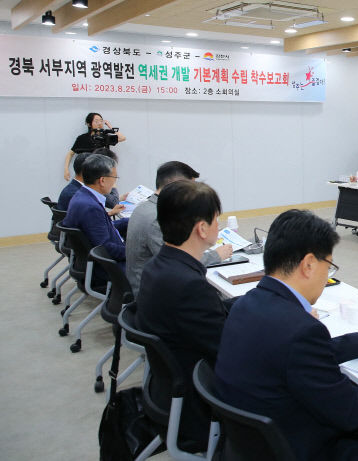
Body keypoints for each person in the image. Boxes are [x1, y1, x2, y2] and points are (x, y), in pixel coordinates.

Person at [214, 210, 358, 461]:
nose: (327, 276)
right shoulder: (301, 330)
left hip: (249, 444)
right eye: (329, 266)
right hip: (295, 449)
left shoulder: (245, 304)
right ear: (309, 265)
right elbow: (351, 410)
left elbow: (298, 356)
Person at [135, 180, 231, 450]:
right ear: (202, 228)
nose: (218, 225)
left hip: (166, 390)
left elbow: (209, 318)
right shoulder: (189, 285)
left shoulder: (158, 266)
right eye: (216, 219)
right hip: (199, 406)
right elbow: (230, 351)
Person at [125, 161, 232, 294]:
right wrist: (216, 255)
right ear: (176, 187)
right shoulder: (157, 218)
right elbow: (177, 261)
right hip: (154, 292)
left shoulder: (144, 207)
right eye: (191, 188)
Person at [62, 153, 128, 283]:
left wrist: (129, 221)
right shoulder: (90, 207)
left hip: (93, 263)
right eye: (115, 178)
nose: (115, 182)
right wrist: (134, 252)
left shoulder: (82, 196)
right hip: (108, 269)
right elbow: (106, 249)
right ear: (102, 180)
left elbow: (97, 228)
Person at [64, 112, 126, 181]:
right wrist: (66, 170)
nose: (99, 123)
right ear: (89, 124)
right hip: (85, 172)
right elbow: (70, 154)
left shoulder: (105, 137)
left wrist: (110, 126)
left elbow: (122, 138)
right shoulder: (82, 138)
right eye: (96, 121)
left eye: (101, 121)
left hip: (101, 173)